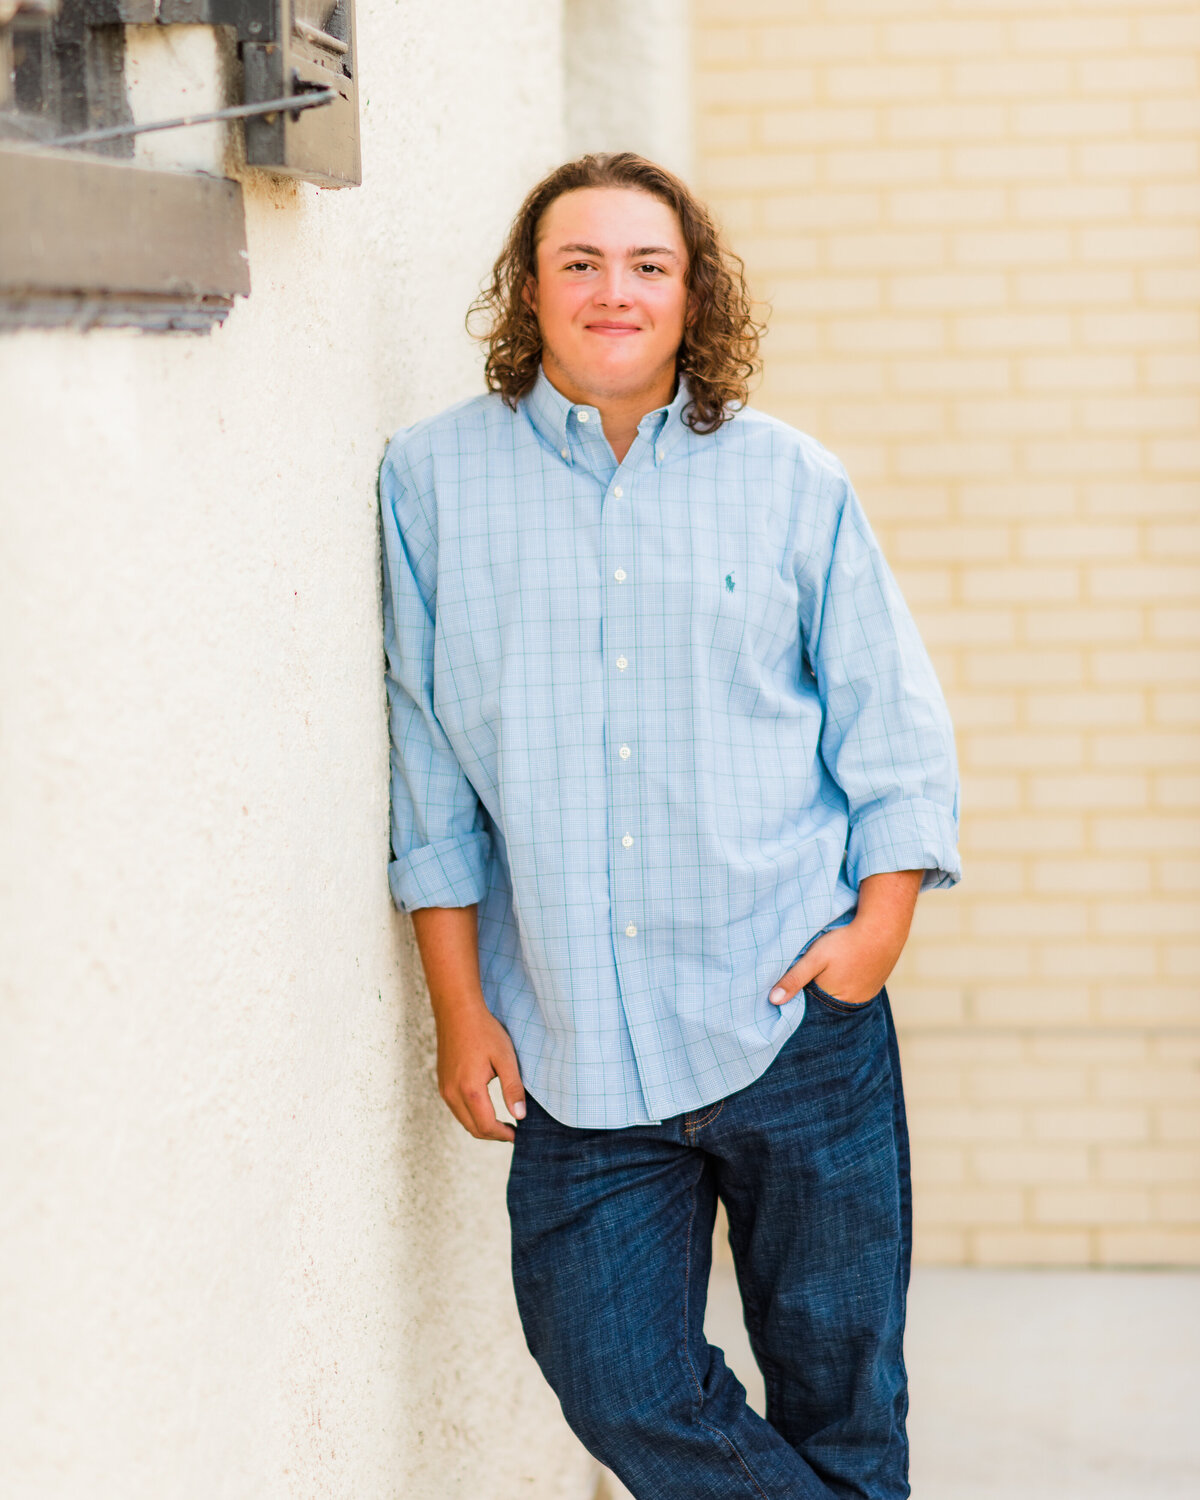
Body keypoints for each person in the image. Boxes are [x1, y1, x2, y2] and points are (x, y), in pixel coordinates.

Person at [378, 151, 960, 1500]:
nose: (615, 291)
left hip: (794, 1016)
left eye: (649, 264)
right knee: (618, 1378)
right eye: (579, 262)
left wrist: (875, 936)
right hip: (572, 1040)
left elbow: (892, 727)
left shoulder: (792, 479)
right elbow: (429, 774)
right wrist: (458, 1010)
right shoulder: (432, 482)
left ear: (694, 294)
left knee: (844, 1397)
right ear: (531, 288)